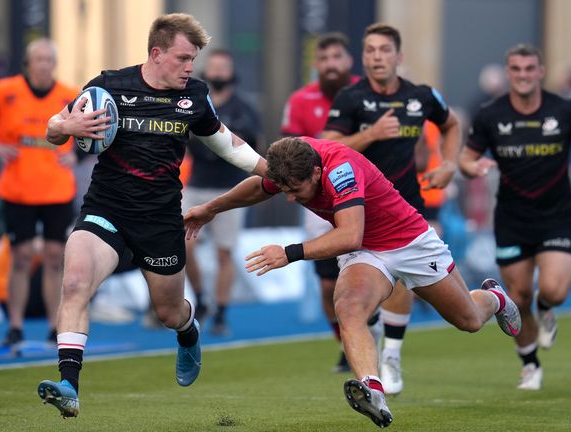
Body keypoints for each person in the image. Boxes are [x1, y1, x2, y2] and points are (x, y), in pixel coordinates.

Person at [184, 136, 521, 428]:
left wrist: (290, 252)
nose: (289, 198)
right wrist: (212, 208)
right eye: (285, 190)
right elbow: (262, 185)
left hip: (408, 243)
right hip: (367, 251)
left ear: (316, 173)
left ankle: (495, 298)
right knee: (348, 305)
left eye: (296, 191)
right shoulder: (293, 161)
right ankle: (373, 389)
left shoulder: (339, 169)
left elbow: (348, 234)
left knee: (470, 320)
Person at [38, 13, 267, 418]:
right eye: (183, 58)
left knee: (168, 312)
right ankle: (69, 386)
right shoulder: (108, 85)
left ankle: (188, 330)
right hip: (105, 210)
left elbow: (227, 145)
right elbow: (56, 130)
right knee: (74, 280)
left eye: (193, 58)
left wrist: (275, 171)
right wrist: (63, 123)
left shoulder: (193, 95)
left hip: (161, 220)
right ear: (157, 53)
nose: (190, 67)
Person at [320, 23, 461, 395]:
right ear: (363, 57)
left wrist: (449, 163)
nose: (377, 57)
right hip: (357, 209)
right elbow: (327, 146)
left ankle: (392, 354)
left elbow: (452, 125)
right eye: (370, 50)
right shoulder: (351, 99)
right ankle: (377, 364)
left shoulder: (422, 96)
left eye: (384, 50)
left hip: (407, 207)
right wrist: (370, 134)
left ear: (398, 57)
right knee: (350, 299)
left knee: (413, 288)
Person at [460, 43, 571, 391]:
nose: (523, 75)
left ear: (540, 71)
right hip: (512, 218)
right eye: (516, 69)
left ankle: (548, 309)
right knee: (518, 297)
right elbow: (465, 159)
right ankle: (529, 364)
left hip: (555, 215)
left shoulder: (566, 109)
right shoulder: (490, 114)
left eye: (529, 69)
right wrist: (473, 167)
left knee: (553, 291)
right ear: (508, 73)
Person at [281, 32, 367, 373]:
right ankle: (347, 345)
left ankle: (378, 342)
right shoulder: (301, 100)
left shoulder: (365, 94)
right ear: (316, 64)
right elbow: (287, 147)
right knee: (328, 283)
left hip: (360, 195)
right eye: (325, 59)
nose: (331, 65)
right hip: (318, 201)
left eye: (337, 57)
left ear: (349, 61)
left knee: (365, 274)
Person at [0, 38, 79, 348]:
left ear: (54, 63)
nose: (43, 65)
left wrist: (78, 155)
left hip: (56, 189)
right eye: (38, 59)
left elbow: (98, 129)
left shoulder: (69, 95)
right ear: (28, 63)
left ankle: (56, 327)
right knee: (21, 257)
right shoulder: (5, 91)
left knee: (55, 258)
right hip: (18, 189)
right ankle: (15, 325)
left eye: (48, 60)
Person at [183, 48, 262, 335]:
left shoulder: (245, 107)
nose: (217, 73)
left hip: (230, 189)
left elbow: (253, 146)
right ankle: (201, 298)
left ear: (231, 73)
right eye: (212, 67)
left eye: (222, 68)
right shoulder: (194, 102)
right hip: (196, 185)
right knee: (183, 244)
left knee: (223, 253)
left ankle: (221, 314)